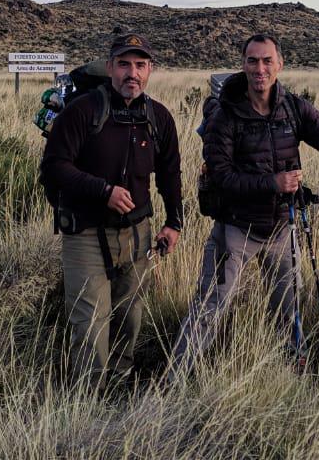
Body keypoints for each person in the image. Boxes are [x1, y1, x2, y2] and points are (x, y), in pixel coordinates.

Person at [170, 32, 319, 376]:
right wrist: (272, 183)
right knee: (209, 307)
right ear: (243, 65)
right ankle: (175, 380)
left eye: (266, 60)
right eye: (252, 61)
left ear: (279, 64)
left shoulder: (293, 107)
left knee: (288, 308)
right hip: (234, 229)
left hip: (281, 228)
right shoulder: (224, 117)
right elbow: (222, 177)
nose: (260, 68)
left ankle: (292, 374)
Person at [40, 33, 183, 381]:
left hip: (137, 234)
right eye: (123, 64)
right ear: (109, 68)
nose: (131, 73)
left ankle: (120, 382)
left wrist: (174, 222)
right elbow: (54, 167)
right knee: (89, 321)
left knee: (130, 314)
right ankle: (89, 398)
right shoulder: (83, 111)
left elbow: (169, 174)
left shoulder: (159, 117)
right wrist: (103, 191)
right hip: (86, 233)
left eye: (139, 65)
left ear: (150, 71)